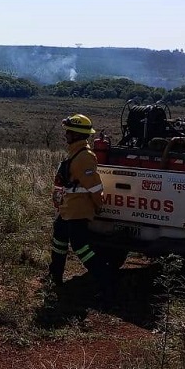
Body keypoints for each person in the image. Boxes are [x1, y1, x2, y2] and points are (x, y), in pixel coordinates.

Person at [48, 114, 107, 286]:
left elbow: (95, 187)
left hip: (78, 210)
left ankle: (104, 279)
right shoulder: (74, 153)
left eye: (69, 131)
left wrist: (98, 205)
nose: (66, 134)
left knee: (80, 247)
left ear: (78, 134)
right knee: (59, 240)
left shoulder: (85, 157)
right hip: (68, 208)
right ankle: (55, 276)